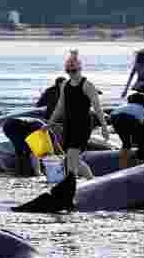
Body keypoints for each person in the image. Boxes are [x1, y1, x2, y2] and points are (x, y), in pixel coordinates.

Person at [47, 50, 109, 183]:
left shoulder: (88, 85)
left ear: (80, 69)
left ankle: (70, 185)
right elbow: (60, 106)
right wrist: (50, 123)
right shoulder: (65, 85)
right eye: (68, 71)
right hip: (68, 124)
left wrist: (104, 127)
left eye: (74, 71)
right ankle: (92, 181)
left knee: (72, 155)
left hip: (83, 125)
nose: (71, 74)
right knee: (72, 159)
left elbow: (97, 107)